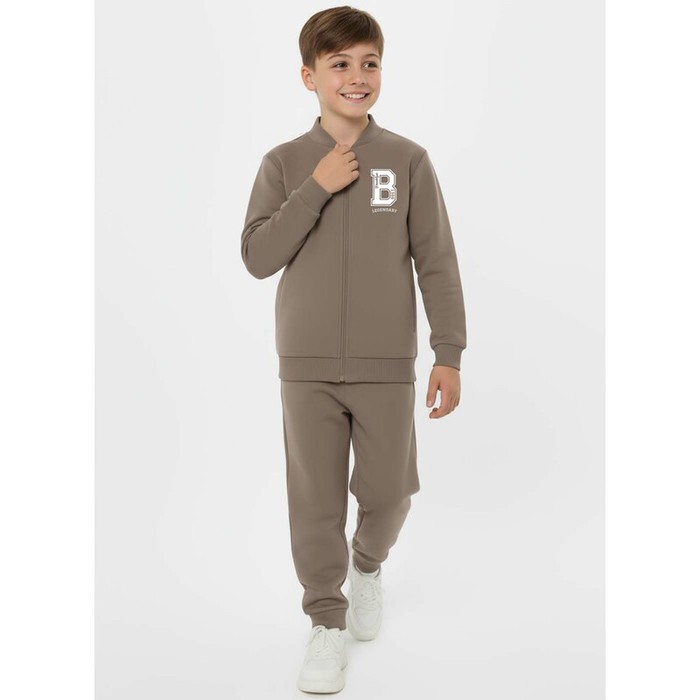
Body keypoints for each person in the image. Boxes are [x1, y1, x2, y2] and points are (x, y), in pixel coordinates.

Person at [240, 5, 467, 693]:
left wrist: (449, 351)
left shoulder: (407, 160)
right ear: (309, 76)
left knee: (390, 493)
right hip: (306, 366)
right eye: (340, 64)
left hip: (386, 366)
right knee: (313, 501)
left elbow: (436, 262)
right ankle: (326, 620)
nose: (357, 76)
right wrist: (317, 186)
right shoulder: (284, 163)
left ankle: (366, 564)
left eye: (370, 63)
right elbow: (257, 256)